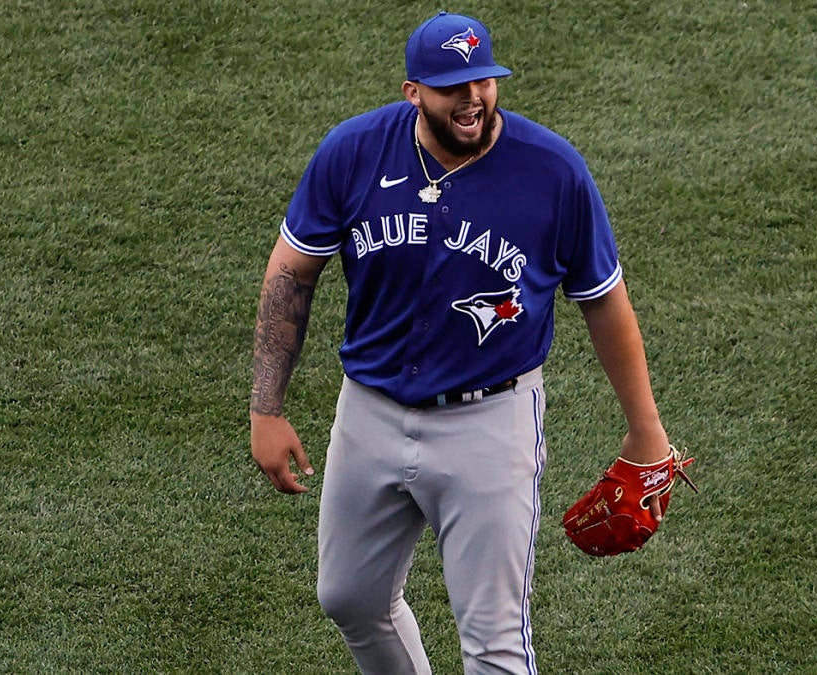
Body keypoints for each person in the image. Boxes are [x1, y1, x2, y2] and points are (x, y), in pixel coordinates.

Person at [249, 11, 675, 674]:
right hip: (370, 409)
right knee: (349, 596)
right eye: (452, 86)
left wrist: (646, 431)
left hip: (490, 422)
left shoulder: (553, 172)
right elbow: (290, 275)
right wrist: (265, 408)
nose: (472, 97)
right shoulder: (353, 152)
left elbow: (605, 302)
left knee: (496, 643)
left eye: (483, 80)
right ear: (413, 91)